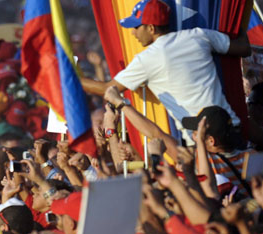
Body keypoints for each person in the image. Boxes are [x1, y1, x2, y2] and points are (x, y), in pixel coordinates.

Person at [79, 0, 251, 142]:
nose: (132, 33)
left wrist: (68, 79)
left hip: (202, 143)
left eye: (137, 27)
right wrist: (240, 24)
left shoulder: (147, 59)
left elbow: (107, 89)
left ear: (151, 28)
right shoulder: (199, 35)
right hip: (234, 130)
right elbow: (244, 48)